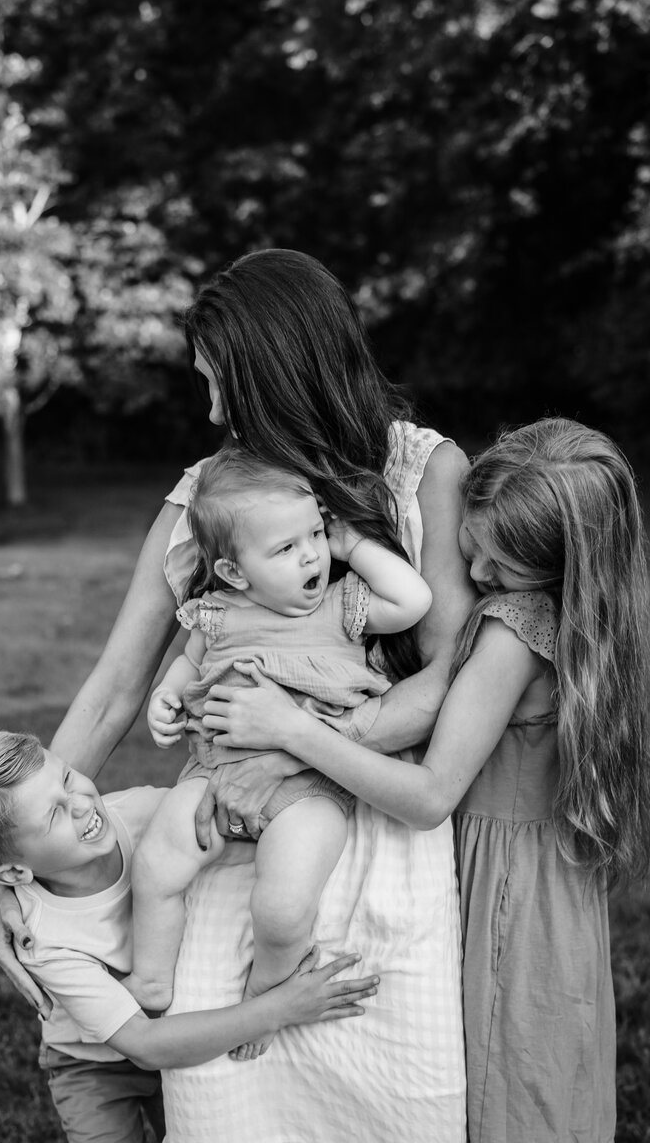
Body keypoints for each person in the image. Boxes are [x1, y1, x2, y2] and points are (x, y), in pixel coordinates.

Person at [0, 248, 474, 1143]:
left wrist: (301, 733)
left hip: (370, 805)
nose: (210, 412)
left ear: (277, 376)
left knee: (394, 1092)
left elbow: (446, 673)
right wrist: (20, 857)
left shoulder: (424, 470)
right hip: (224, 823)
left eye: (220, 386)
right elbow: (116, 688)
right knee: (227, 1101)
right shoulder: (209, 498)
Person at [211, 418, 650, 1143]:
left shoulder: (514, 629)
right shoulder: (589, 616)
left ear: (557, 564)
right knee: (546, 1070)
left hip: (501, 885)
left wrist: (293, 732)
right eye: (472, 549)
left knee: (508, 1084)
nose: (476, 579)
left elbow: (430, 796)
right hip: (548, 880)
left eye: (501, 570)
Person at [0, 730, 379, 1143]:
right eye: (54, 815)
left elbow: (239, 824)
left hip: (178, 1033)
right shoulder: (44, 940)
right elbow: (145, 1042)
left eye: (69, 777)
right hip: (94, 1064)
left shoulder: (142, 812)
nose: (81, 803)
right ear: (15, 870)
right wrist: (279, 1009)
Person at [126, 448, 431, 1052]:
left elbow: (414, 602)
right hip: (212, 771)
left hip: (310, 786)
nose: (312, 554)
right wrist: (165, 697)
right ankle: (151, 977)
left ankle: (267, 990)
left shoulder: (343, 605)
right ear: (235, 573)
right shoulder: (216, 613)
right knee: (158, 859)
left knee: (284, 904)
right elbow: (186, 664)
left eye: (314, 534)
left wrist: (353, 546)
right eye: (286, 549)